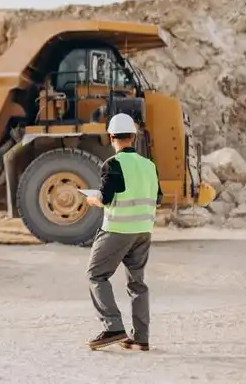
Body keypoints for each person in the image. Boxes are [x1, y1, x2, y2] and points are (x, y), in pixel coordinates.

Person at [83, 112, 162, 351]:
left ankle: (113, 327)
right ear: (134, 137)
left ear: (111, 137)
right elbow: (158, 198)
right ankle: (141, 337)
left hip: (117, 229)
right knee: (137, 283)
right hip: (143, 231)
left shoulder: (113, 164)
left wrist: (92, 199)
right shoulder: (149, 166)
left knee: (96, 275)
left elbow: (105, 198)